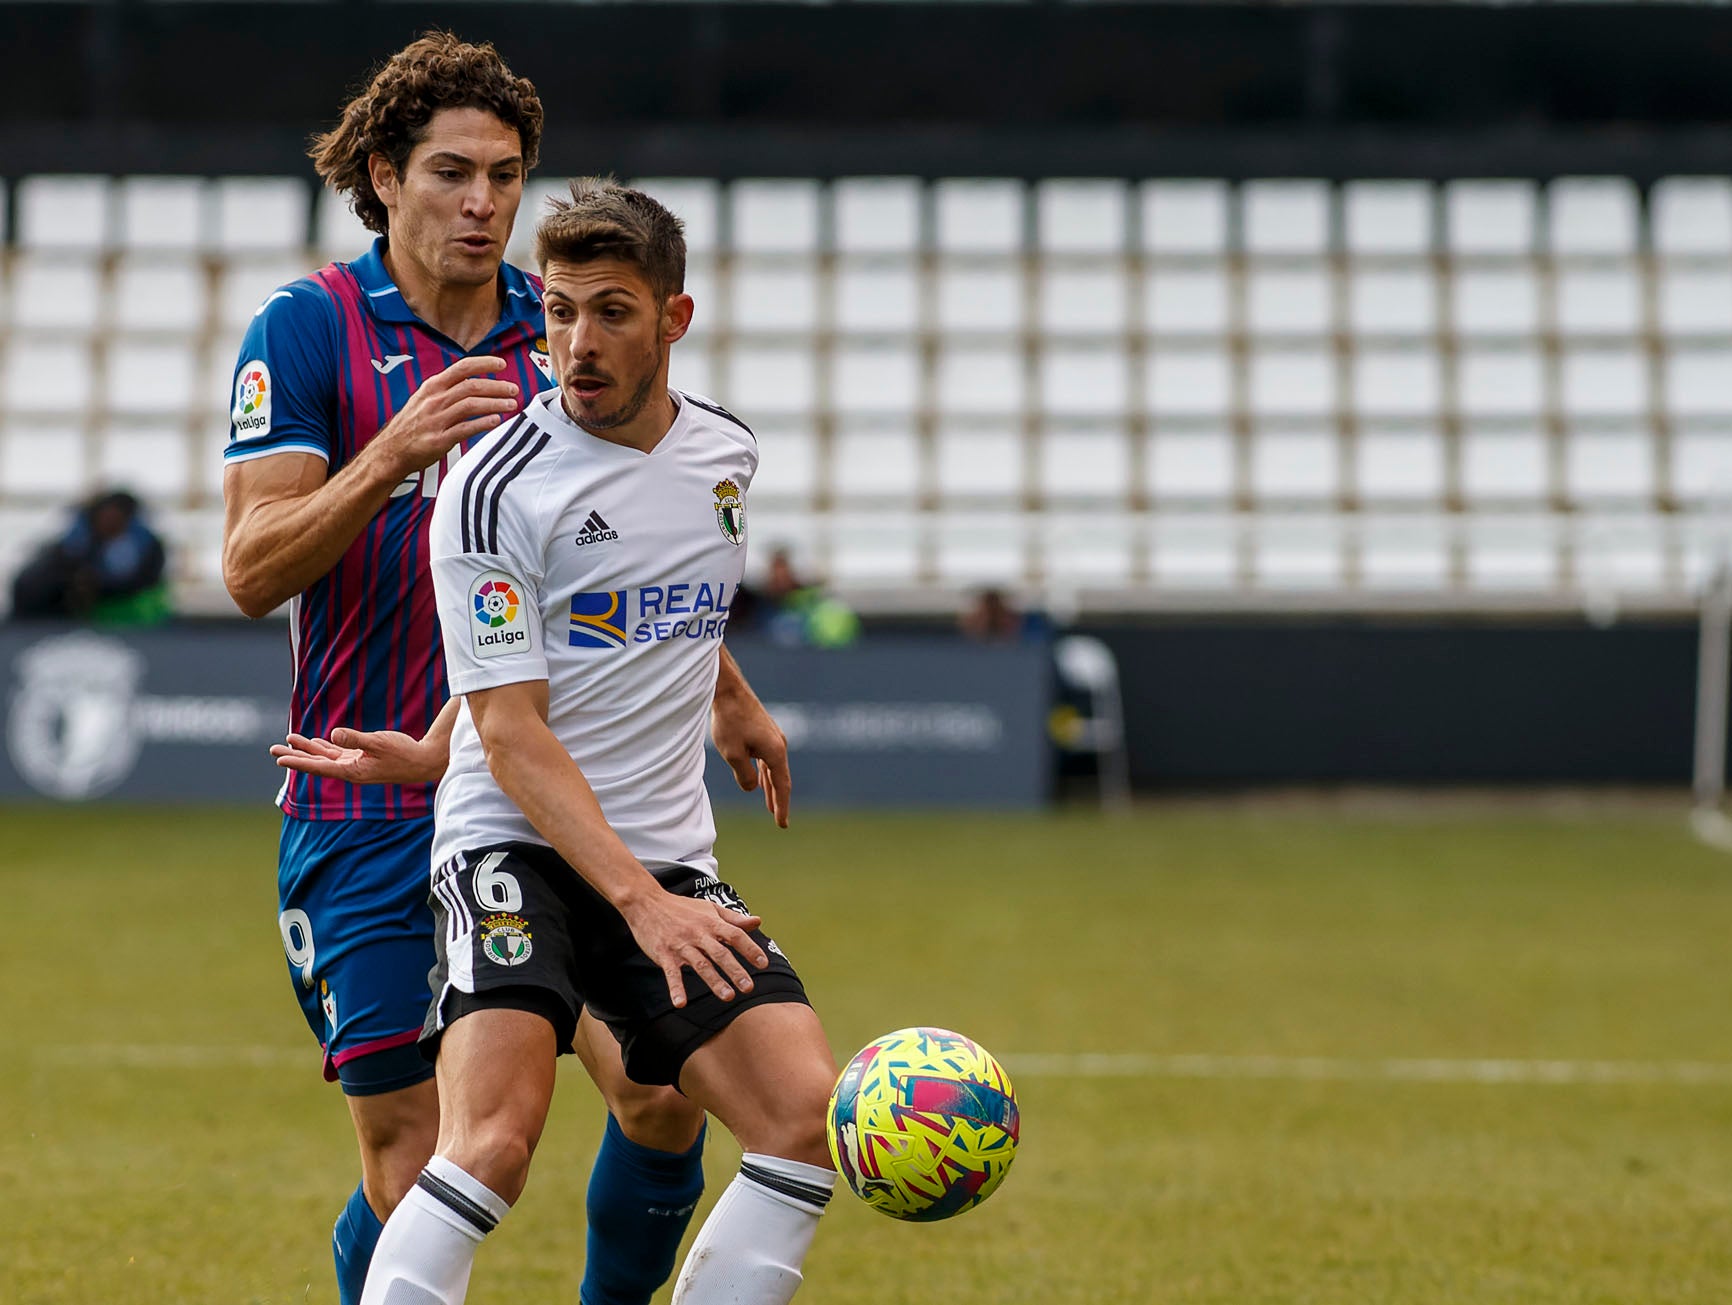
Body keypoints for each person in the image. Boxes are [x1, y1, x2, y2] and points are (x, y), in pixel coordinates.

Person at [220, 34, 787, 1305]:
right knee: (424, 1152)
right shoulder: (306, 328)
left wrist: (728, 693)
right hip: (370, 798)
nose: (484, 203)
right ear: (385, 174)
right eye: (452, 174)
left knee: (659, 1096)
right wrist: (386, 459)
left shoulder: (563, 326)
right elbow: (251, 570)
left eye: (506, 175)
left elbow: (645, 541)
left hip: (548, 790)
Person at [357, 179, 840, 1305]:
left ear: (673, 320)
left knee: (802, 1116)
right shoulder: (489, 490)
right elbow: (511, 733)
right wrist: (639, 903)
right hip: (511, 847)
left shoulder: (725, 453)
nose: (577, 343)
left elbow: (674, 590)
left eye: (612, 311)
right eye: (562, 311)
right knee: (492, 1145)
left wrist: (730, 696)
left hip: (664, 858)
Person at [9, 489, 168, 622]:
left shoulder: (147, 547)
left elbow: (145, 582)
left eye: (116, 518)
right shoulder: (73, 547)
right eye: (105, 517)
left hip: (138, 619)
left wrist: (100, 585)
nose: (109, 523)